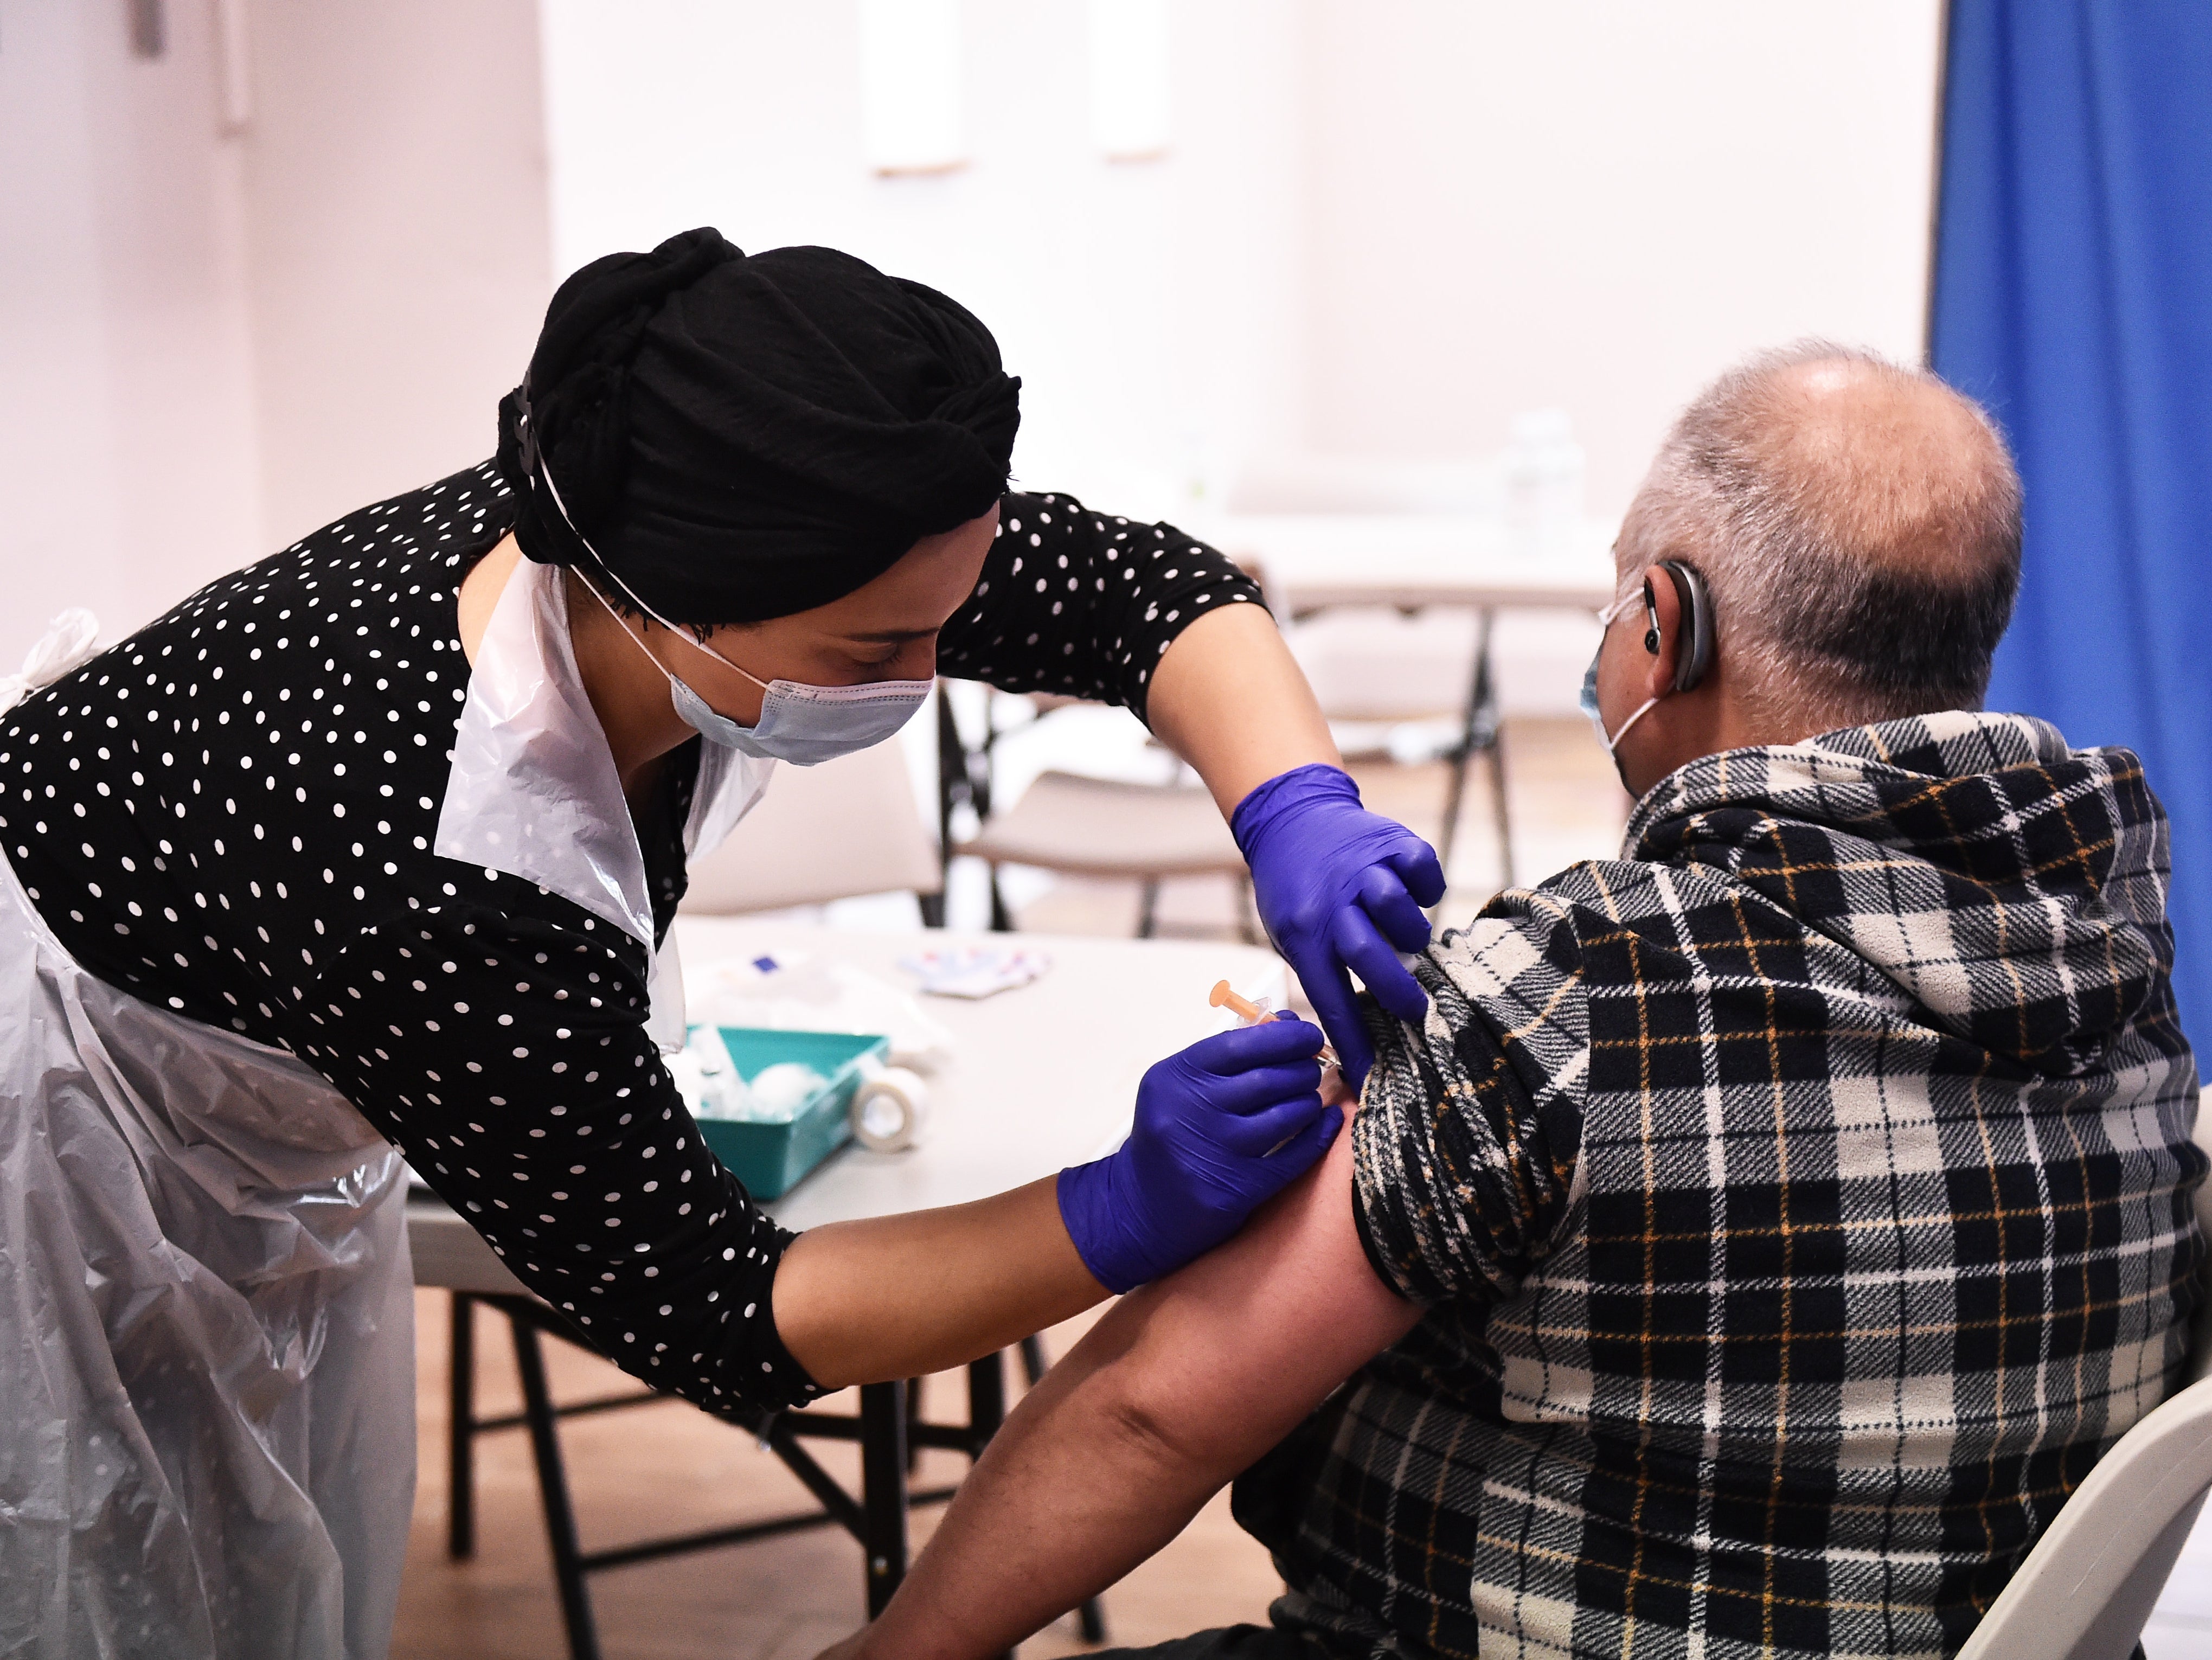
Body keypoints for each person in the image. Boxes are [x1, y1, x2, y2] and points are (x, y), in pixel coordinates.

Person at [0, 229, 1444, 1659]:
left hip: (251, 1075)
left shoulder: (710, 529)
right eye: (875, 653)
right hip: (60, 1129)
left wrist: (1295, 809)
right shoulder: (440, 876)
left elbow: (1140, 596)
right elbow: (716, 1301)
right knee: (92, 1566)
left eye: (941, 620)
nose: (926, 675)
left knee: (251, 1555)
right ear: (665, 604)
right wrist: (1116, 1209)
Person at [832, 343, 2207, 1660]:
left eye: (1616, 605)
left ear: (1663, 625)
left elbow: (1149, 1413)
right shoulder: (2123, 952)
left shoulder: (1581, 991)